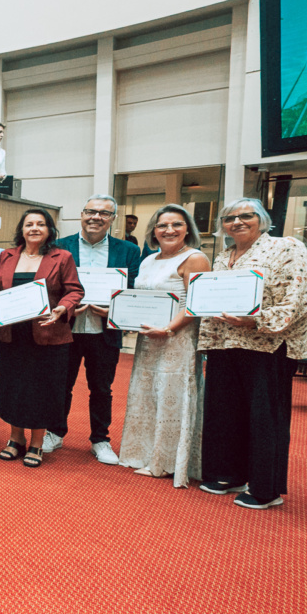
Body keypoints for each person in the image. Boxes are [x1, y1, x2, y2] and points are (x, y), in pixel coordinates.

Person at [197, 198, 307, 509]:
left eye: (246, 216)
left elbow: (300, 299)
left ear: (262, 219)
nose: (237, 222)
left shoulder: (286, 247)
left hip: (267, 344)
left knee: (265, 418)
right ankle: (228, 473)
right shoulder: (224, 257)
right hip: (224, 344)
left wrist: (258, 321)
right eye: (229, 218)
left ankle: (265, 488)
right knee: (225, 413)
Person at [117, 204, 211, 487]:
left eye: (177, 224)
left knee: (173, 395)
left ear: (188, 229)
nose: (169, 230)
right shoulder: (148, 260)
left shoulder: (196, 258)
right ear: (153, 231)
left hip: (176, 339)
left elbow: (197, 304)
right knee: (148, 395)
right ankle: (145, 454)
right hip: (148, 340)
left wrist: (169, 329)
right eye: (162, 225)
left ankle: (168, 462)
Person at [0, 209, 83, 468]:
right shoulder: (7, 256)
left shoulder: (62, 257)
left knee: (42, 388)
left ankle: (37, 442)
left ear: (49, 229)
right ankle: (16, 439)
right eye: (29, 224)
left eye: (40, 224)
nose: (34, 228)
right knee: (13, 386)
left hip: (47, 333)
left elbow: (74, 290)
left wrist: (62, 308)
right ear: (22, 229)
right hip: (11, 334)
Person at [47, 194, 142, 464]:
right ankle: (55, 431)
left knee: (101, 388)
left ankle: (100, 439)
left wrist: (115, 309)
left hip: (104, 330)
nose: (96, 217)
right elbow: (50, 286)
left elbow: (132, 288)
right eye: (91, 211)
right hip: (67, 328)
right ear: (81, 214)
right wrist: (64, 306)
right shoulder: (59, 246)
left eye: (104, 213)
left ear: (112, 219)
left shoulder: (128, 250)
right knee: (61, 384)